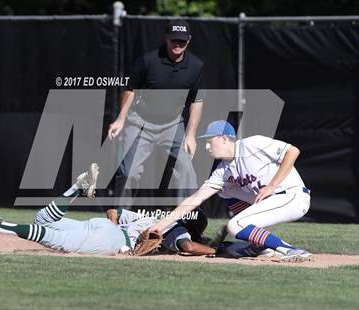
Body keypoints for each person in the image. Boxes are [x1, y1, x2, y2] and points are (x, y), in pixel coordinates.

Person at [150, 120, 313, 262]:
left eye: (209, 141)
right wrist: (159, 226)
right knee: (224, 190)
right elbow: (195, 199)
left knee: (235, 225)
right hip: (272, 201)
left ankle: (290, 250)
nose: (206, 146)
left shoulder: (252, 144)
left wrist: (272, 185)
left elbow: (293, 151)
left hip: (293, 196)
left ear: (223, 138)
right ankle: (261, 246)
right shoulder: (223, 171)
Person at [108, 19, 204, 201]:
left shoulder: (196, 66)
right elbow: (130, 89)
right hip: (141, 122)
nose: (177, 44)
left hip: (173, 124)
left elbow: (197, 100)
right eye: (174, 40)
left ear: (189, 40)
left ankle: (189, 220)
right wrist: (121, 119)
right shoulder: (148, 60)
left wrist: (191, 135)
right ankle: (119, 218)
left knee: (186, 170)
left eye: (182, 41)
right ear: (166, 38)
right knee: (129, 172)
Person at [0, 164, 133, 255]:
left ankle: (77, 187)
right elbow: (155, 234)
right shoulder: (157, 223)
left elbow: (114, 213)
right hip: (118, 239)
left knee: (43, 220)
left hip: (108, 227)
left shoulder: (150, 218)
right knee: (59, 239)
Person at [106, 207, 215, 256]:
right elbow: (188, 247)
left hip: (103, 229)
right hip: (123, 244)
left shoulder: (153, 217)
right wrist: (215, 251)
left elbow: (112, 212)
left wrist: (114, 230)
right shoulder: (178, 229)